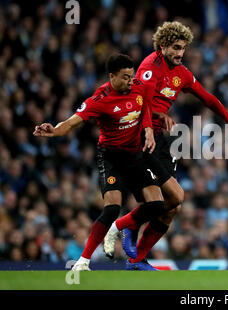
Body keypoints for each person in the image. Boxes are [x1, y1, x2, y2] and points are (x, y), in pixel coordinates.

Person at [104, 21, 228, 263]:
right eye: (176, 47)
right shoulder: (150, 67)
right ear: (163, 46)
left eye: (184, 48)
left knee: (172, 206)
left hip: (161, 138)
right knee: (173, 197)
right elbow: (141, 102)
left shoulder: (182, 74)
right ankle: (122, 226)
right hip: (140, 136)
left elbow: (207, 97)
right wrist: (151, 124)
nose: (180, 53)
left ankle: (137, 260)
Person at [33, 54, 167, 271]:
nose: (130, 82)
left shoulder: (138, 87)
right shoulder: (100, 99)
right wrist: (55, 130)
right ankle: (83, 262)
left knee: (157, 205)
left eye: (131, 77)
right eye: (124, 77)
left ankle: (119, 227)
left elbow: (146, 106)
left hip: (134, 156)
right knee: (112, 207)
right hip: (111, 157)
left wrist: (150, 128)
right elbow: (72, 122)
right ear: (111, 76)